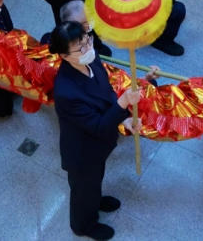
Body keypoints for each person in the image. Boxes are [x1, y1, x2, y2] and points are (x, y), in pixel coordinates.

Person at [50, 20, 148, 241]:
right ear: (64, 56)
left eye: (87, 40)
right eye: (80, 47)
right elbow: (98, 125)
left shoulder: (91, 61)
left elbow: (107, 94)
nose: (87, 48)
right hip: (82, 153)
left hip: (98, 145)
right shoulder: (66, 91)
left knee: (94, 181)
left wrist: (123, 121)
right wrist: (123, 103)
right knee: (82, 189)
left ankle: (96, 200)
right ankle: (83, 224)